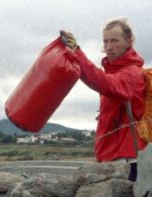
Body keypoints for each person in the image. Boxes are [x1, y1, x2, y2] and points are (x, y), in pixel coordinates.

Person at [61, 18, 146, 181]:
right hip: (113, 155)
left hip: (127, 158)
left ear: (128, 42)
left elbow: (105, 83)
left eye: (114, 41)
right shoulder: (114, 71)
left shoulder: (132, 73)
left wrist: (77, 54)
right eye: (105, 41)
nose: (108, 47)